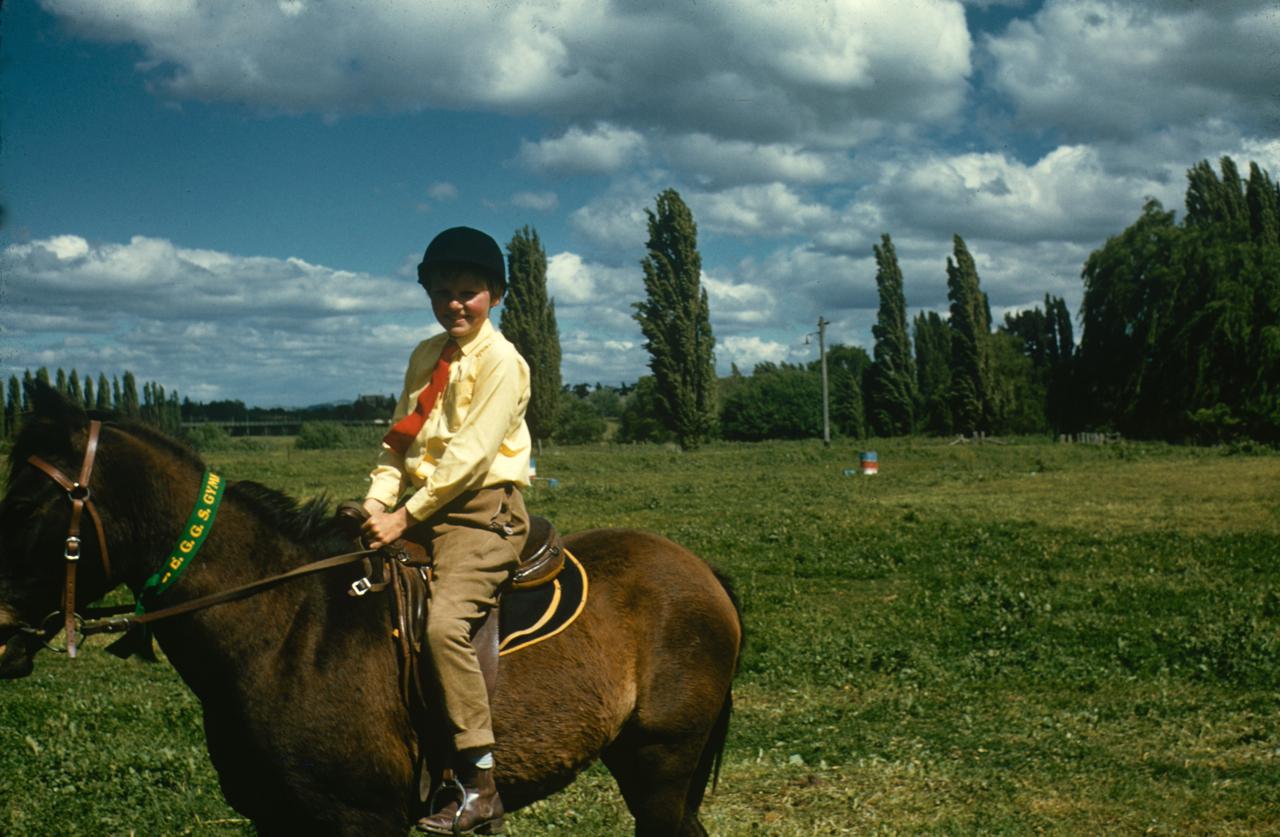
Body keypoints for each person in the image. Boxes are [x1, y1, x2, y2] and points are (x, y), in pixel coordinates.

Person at [361, 226, 531, 835]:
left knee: (441, 624)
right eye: (443, 293)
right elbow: (399, 440)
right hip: (420, 506)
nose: (455, 303)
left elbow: (469, 458)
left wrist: (404, 515)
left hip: (480, 512)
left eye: (469, 292)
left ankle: (479, 779)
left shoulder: (504, 363)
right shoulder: (423, 356)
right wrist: (374, 503)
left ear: (496, 295)